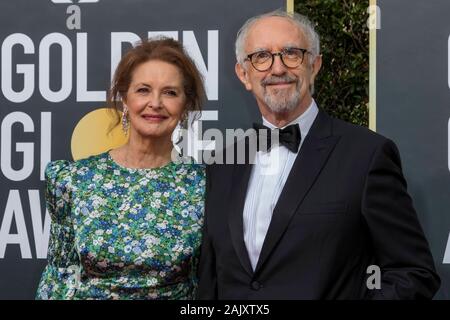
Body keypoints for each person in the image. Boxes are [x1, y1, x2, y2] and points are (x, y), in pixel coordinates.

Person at [197, 10, 440, 299]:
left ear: (314, 65)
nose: (277, 69)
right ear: (243, 74)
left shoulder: (366, 155)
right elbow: (211, 280)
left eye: (291, 53)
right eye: (261, 56)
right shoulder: (222, 163)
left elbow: (413, 272)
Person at [36, 38, 206, 300]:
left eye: (170, 92)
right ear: (124, 98)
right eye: (143, 90)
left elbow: (204, 283)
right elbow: (58, 275)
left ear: (185, 106)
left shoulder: (202, 184)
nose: (156, 103)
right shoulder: (74, 179)